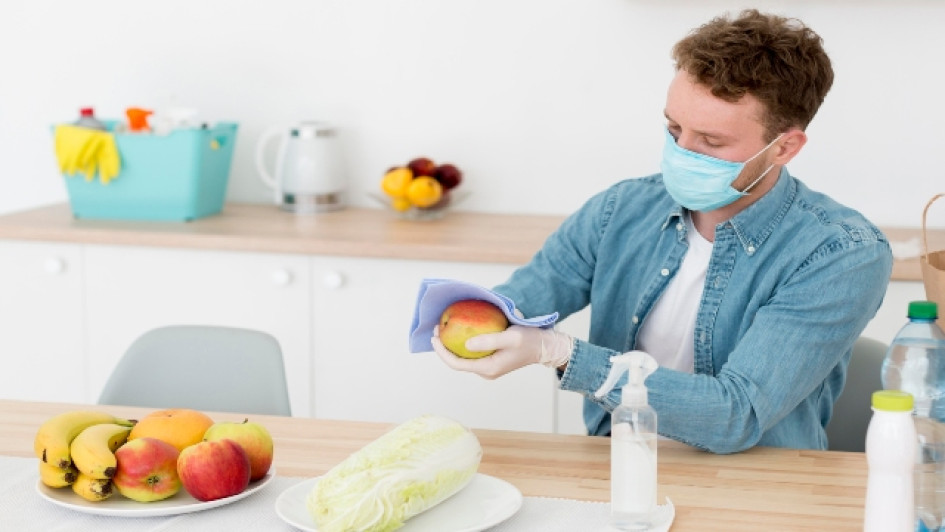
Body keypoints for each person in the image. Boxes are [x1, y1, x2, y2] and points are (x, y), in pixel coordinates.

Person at [430, 9, 893, 453]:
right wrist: (472, 318)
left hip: (756, 483)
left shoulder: (841, 254)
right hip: (621, 462)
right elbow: (523, 300)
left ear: (784, 148)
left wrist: (563, 354)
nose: (682, 152)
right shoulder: (622, 209)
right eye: (674, 129)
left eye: (711, 142)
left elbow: (737, 414)